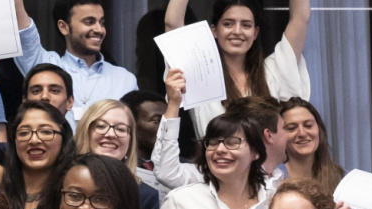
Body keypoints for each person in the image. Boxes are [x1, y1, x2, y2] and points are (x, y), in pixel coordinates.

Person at [165, 0, 312, 133]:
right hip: (215, 161)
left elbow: (300, 18)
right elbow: (172, 24)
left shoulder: (273, 71)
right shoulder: (201, 76)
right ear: (214, 30)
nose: (237, 31)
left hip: (265, 163)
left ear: (255, 33)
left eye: (246, 25)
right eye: (228, 24)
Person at [158, 107, 270, 209]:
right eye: (212, 143)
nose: (220, 150)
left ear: (256, 152)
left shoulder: (274, 203)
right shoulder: (182, 200)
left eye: (232, 142)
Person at [153, 74, 289, 195]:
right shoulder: (215, 175)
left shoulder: (280, 181)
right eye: (286, 128)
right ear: (268, 135)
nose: (289, 136)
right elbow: (167, 172)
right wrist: (173, 104)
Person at [11, 0, 138, 122]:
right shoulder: (47, 66)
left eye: (102, 23)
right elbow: (24, 32)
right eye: (89, 22)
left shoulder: (125, 79)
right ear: (64, 27)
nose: (99, 29)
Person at [72, 100, 164, 209]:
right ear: (85, 131)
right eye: (101, 126)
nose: (110, 134)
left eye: (121, 129)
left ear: (130, 140)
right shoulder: (59, 183)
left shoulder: (144, 196)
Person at [2, 101, 79, 209]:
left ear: (63, 138)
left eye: (46, 132)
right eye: (24, 133)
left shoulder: (73, 196)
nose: (34, 139)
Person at [117, 91, 172, 195]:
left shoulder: (185, 168)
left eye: (168, 120)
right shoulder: (117, 169)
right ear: (131, 124)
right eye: (156, 120)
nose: (166, 127)